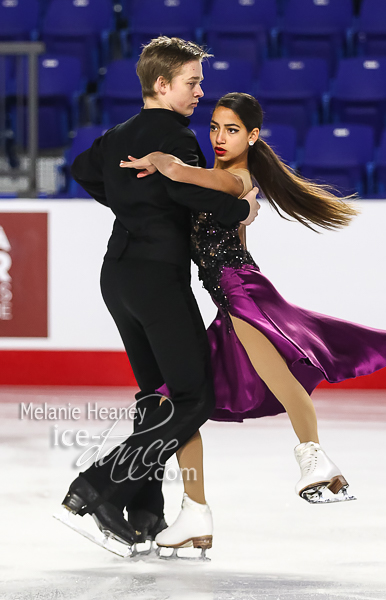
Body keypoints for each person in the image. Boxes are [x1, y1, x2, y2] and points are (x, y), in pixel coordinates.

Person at [120, 92, 386, 553]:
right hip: (230, 299)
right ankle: (194, 511)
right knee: (175, 404)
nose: (219, 137)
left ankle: (316, 459)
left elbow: (180, 173)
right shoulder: (227, 181)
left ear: (253, 136)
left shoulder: (234, 178)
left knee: (282, 381)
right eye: (214, 127)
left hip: (241, 294)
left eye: (232, 130)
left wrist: (159, 158)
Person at [59, 39, 260, 551]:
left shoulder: (119, 134)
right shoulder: (176, 136)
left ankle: (145, 512)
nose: (200, 92)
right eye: (193, 82)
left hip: (118, 276)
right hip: (155, 277)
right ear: (163, 84)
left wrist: (128, 202)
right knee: (193, 398)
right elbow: (190, 193)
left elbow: (82, 169)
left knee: (158, 395)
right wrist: (242, 210)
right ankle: (98, 485)